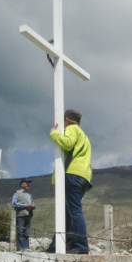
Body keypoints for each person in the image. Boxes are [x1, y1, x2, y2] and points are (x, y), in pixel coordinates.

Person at [46, 109, 92, 254]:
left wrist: (53, 133)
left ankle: (81, 246)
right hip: (83, 176)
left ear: (66, 119)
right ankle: (59, 246)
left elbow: (67, 144)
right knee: (67, 213)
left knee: (74, 212)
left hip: (72, 174)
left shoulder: (72, 129)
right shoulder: (84, 136)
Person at [12, 178, 36, 251]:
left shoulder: (29, 195)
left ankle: (26, 248)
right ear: (22, 184)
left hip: (28, 215)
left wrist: (33, 205)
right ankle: (20, 248)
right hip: (21, 215)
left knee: (26, 232)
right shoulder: (17, 193)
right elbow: (14, 203)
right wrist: (26, 205)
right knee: (20, 232)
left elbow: (32, 202)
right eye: (26, 183)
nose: (28, 185)